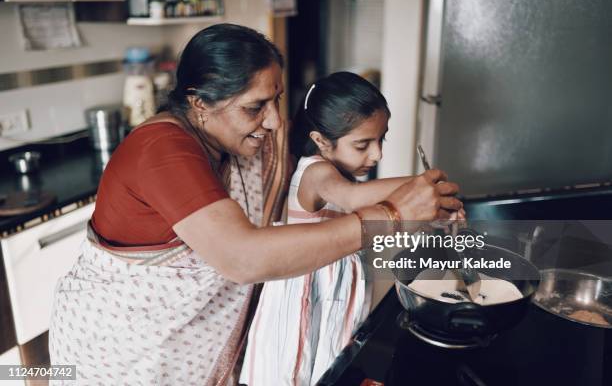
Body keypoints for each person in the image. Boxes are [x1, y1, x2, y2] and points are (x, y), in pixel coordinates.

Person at [48, 24, 463, 385]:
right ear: (198, 103)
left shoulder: (240, 144)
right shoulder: (162, 150)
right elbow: (242, 257)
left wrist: (418, 196)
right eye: (255, 107)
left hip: (187, 348)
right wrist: (393, 214)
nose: (274, 121)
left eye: (276, 100)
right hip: (126, 353)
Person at [239, 72, 465, 385]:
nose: (377, 154)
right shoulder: (316, 172)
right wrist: (420, 186)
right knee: (295, 370)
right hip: (303, 305)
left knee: (330, 367)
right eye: (363, 144)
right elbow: (353, 197)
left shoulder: (337, 172)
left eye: (381, 139)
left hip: (331, 299)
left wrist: (427, 209)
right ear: (320, 140)